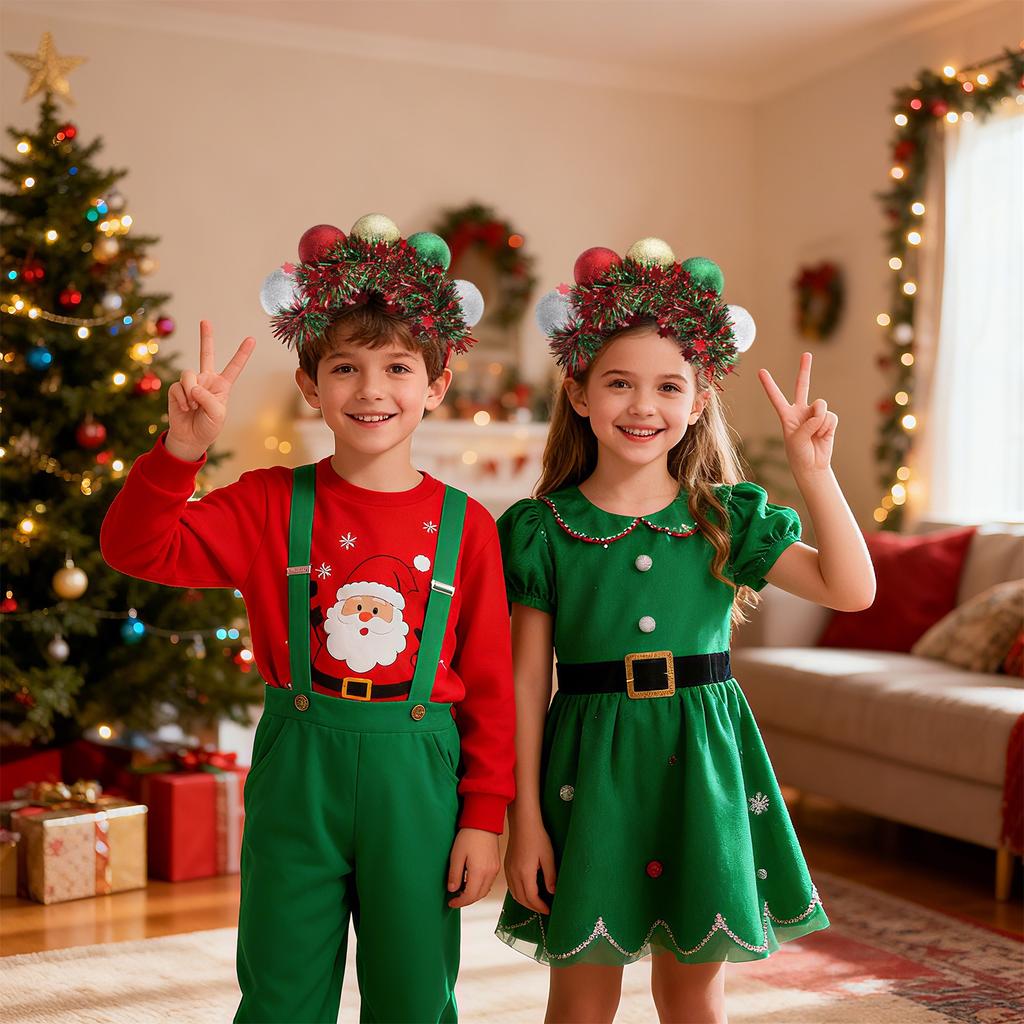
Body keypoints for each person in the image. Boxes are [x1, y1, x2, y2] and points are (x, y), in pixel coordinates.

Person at [100, 214, 515, 1024]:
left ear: (435, 386)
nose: (370, 390)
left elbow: (494, 688)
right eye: (345, 367)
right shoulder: (264, 502)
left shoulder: (472, 528)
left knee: (414, 995)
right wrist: (177, 454)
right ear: (311, 385)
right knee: (281, 988)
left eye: (398, 368)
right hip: (300, 770)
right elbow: (132, 549)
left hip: (420, 780)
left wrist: (485, 816)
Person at [496, 241, 875, 1023]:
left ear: (699, 401)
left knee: (696, 985)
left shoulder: (726, 518)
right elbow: (525, 684)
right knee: (582, 984)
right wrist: (522, 819)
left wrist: (815, 471)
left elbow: (852, 589)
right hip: (587, 769)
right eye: (620, 384)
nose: (644, 406)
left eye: (669, 387)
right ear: (579, 393)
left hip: (702, 763)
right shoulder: (540, 529)